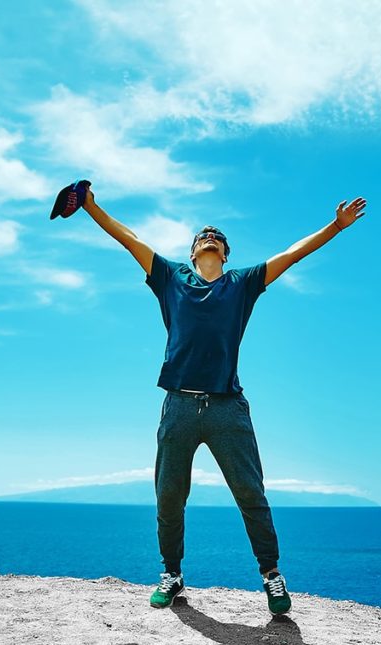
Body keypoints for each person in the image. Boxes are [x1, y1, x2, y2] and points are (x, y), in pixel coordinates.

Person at [80, 186, 366, 615]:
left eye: (216, 235)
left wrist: (336, 227)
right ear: (194, 252)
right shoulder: (171, 278)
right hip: (178, 406)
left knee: (251, 493)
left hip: (227, 408)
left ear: (225, 253)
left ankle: (271, 576)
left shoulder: (242, 284)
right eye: (202, 235)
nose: (209, 236)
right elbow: (129, 239)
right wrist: (89, 206)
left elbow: (292, 254)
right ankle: (172, 575)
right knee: (169, 495)